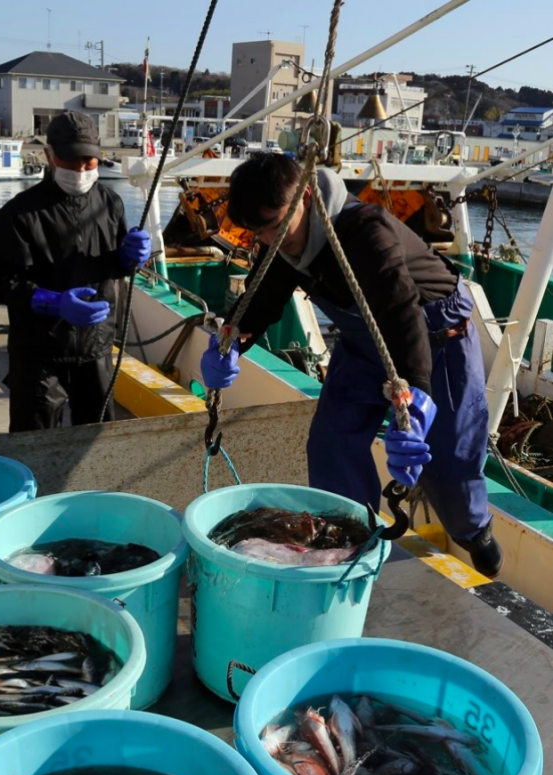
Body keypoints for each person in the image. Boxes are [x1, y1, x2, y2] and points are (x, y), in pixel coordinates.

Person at [200, 153, 503, 578]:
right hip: (362, 342)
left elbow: (402, 313)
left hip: (436, 339)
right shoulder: (282, 244)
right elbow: (261, 298)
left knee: (447, 462)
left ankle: (474, 530)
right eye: (258, 231)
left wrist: (414, 395)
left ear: (305, 196)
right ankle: (348, 542)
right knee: (332, 442)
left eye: (273, 225)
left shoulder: (364, 231)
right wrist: (230, 343)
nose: (268, 239)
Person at [0, 110, 151, 432]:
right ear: (49, 156)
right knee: (35, 444)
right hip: (38, 354)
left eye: (89, 162)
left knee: (96, 443)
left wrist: (132, 258)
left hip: (96, 347)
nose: (81, 170)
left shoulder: (111, 203)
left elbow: (113, 264)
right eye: (70, 162)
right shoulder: (18, 213)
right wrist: (52, 302)